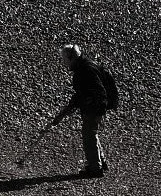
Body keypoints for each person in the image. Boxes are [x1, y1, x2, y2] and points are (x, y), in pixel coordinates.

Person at [50, 42, 119, 177]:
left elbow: (97, 91)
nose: (64, 63)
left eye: (65, 60)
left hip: (95, 107)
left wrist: (94, 107)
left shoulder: (85, 70)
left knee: (89, 134)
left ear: (71, 58)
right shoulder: (85, 67)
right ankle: (100, 163)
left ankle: (95, 168)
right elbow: (81, 94)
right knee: (92, 133)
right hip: (97, 105)